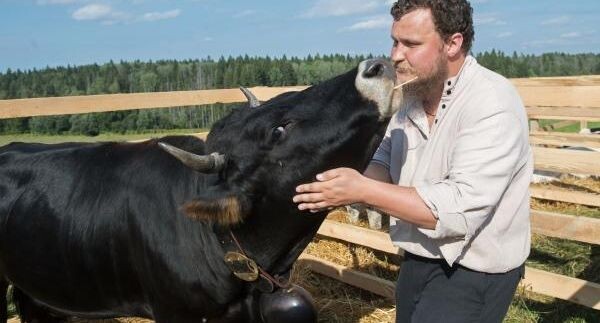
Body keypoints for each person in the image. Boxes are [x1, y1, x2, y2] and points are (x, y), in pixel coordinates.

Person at [293, 0, 533, 322]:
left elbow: (457, 210)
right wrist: (336, 184)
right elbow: (383, 160)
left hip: (474, 268)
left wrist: (361, 190)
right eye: (395, 41)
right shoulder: (411, 96)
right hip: (418, 254)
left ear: (453, 43)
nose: (395, 55)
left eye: (411, 44)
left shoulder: (492, 104)